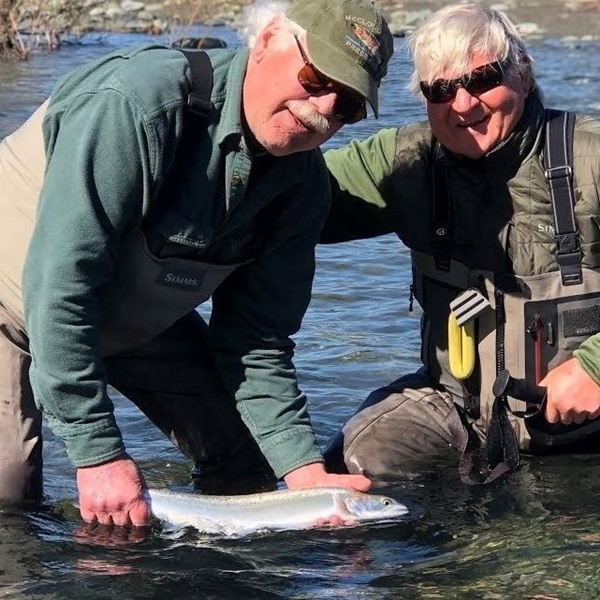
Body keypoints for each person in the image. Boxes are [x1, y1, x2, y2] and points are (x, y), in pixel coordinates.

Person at [0, 0, 393, 525]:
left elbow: (256, 341)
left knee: (247, 460)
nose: (323, 108)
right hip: (14, 304)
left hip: (125, 317)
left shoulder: (303, 187)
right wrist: (98, 454)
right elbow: (60, 285)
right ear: (269, 37)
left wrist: (305, 475)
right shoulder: (137, 107)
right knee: (11, 511)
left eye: (346, 104)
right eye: (315, 76)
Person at [322, 3, 600, 483]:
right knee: (350, 469)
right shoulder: (403, 162)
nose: (464, 104)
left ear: (524, 73)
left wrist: (596, 366)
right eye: (441, 90)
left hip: (585, 419)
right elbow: (283, 198)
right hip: (457, 410)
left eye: (482, 79)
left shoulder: (591, 158)